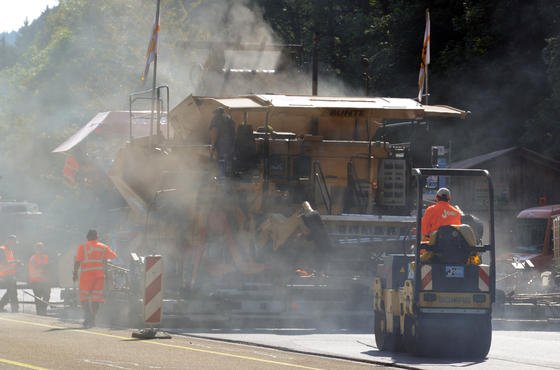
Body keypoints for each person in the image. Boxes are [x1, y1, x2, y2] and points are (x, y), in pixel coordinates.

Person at [73, 229, 117, 327]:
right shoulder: (103, 247)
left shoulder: (82, 247)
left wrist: (75, 274)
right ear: (97, 237)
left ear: (87, 237)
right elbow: (113, 256)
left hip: (86, 276)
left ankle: (88, 315)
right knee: (96, 298)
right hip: (99, 276)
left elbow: (78, 261)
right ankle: (92, 318)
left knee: (84, 297)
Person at [209, 106, 236, 176]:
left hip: (222, 145)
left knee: (221, 162)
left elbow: (215, 131)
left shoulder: (216, 119)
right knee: (228, 162)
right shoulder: (229, 118)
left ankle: (221, 180)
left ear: (216, 113)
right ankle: (227, 179)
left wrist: (212, 146)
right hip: (231, 145)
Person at [28, 242, 51, 315]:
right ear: (36, 249)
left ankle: (43, 310)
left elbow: (48, 267)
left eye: (41, 248)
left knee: (47, 295)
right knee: (38, 297)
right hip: (36, 280)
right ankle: (39, 312)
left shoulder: (45, 257)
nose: (40, 249)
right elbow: (37, 267)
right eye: (38, 248)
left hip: (44, 280)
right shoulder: (33, 258)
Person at [0, 235, 20, 312]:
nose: (14, 244)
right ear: (9, 241)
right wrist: (15, 262)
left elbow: (9, 262)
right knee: (13, 292)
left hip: (10, 275)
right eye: (14, 243)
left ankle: (1, 306)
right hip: (4, 275)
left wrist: (16, 264)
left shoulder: (10, 250)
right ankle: (15, 310)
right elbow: (3, 262)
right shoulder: (2, 249)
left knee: (11, 292)